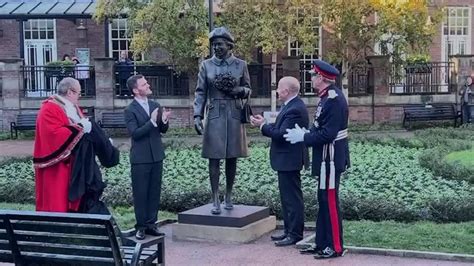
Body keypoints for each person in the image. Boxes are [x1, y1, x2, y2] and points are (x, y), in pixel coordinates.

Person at [284, 59, 350, 259]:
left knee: (329, 202)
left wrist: (304, 137)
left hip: (330, 158)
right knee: (323, 200)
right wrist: (307, 132)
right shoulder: (326, 97)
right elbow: (320, 127)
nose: (311, 78)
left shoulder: (334, 99)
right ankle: (322, 243)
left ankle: (335, 247)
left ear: (321, 78)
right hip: (325, 158)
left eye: (313, 75)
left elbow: (328, 134)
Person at [193, 27, 252, 215]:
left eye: (219, 44)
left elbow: (248, 89)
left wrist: (239, 91)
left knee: (232, 157)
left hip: (234, 113)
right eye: (214, 45)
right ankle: (215, 198)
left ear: (229, 45)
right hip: (215, 114)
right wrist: (197, 115)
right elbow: (200, 92)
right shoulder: (206, 65)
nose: (216, 48)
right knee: (214, 157)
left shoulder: (240, 65)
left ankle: (228, 195)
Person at [250, 76, 309, 247]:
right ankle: (289, 231)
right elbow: (280, 128)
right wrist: (265, 123)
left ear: (286, 91)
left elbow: (281, 135)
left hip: (289, 159)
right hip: (286, 159)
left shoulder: (295, 109)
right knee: (287, 198)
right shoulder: (290, 106)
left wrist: (262, 127)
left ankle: (295, 234)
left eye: (278, 88)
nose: (276, 91)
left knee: (292, 199)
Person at [33, 77, 92, 212]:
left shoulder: (73, 106)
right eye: (78, 93)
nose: (79, 96)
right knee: (57, 198)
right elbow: (53, 135)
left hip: (75, 162)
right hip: (57, 164)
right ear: (70, 92)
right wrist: (80, 127)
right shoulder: (49, 108)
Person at [124, 74, 172, 240]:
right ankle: (141, 227)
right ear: (136, 90)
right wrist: (151, 122)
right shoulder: (130, 110)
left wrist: (164, 121)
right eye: (144, 84)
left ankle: (152, 224)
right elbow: (135, 134)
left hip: (156, 155)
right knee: (141, 193)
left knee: (154, 192)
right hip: (140, 158)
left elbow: (162, 130)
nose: (148, 85)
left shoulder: (155, 105)